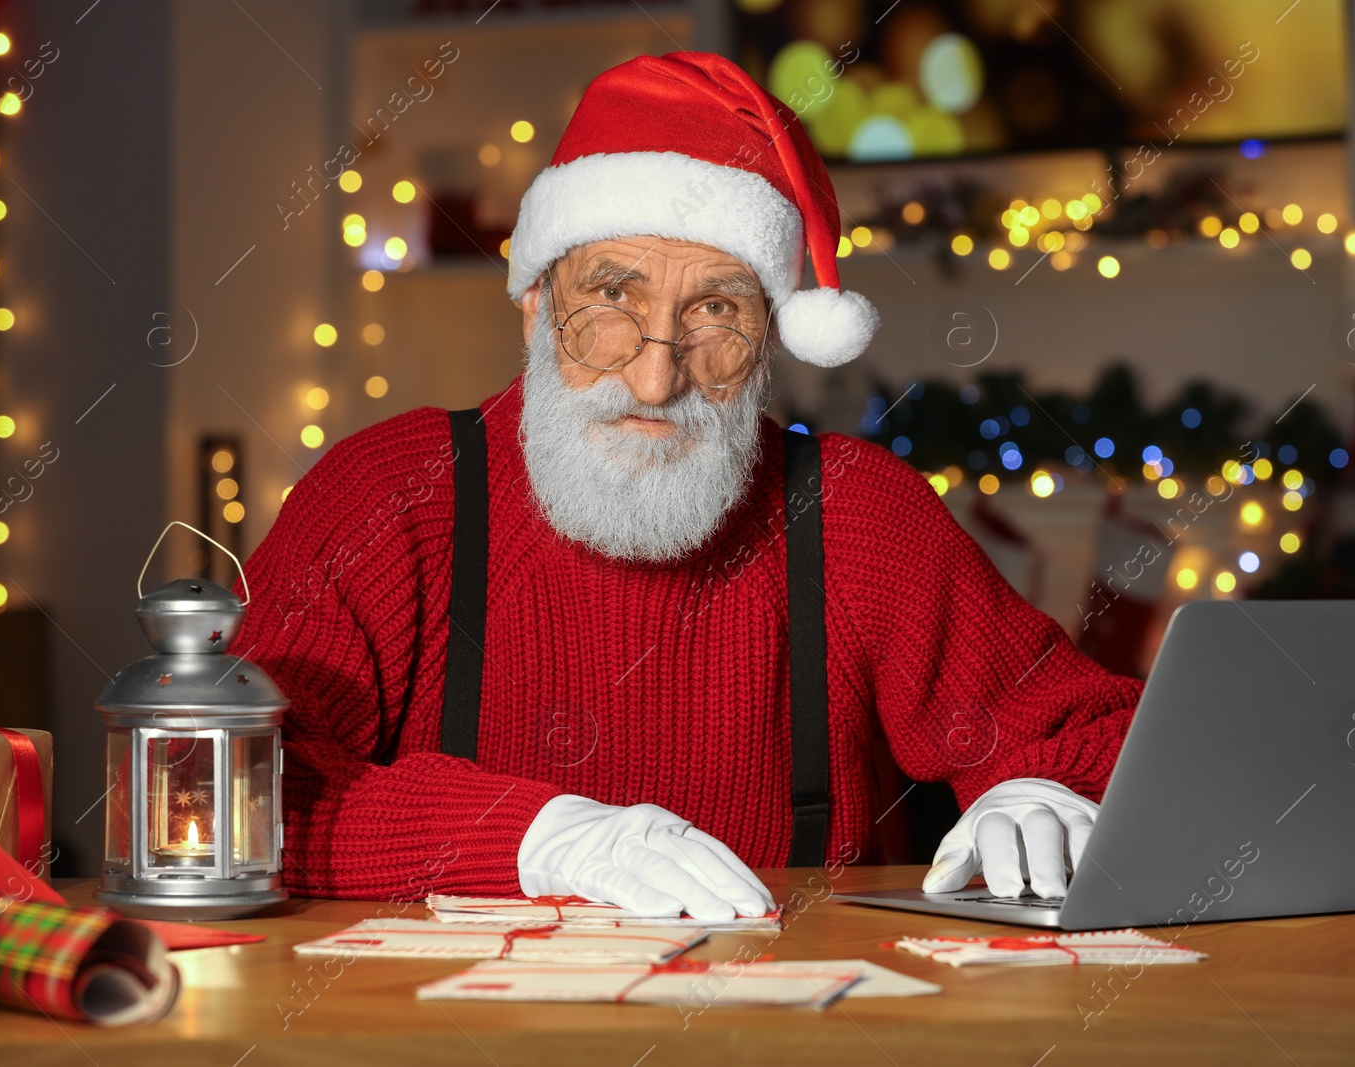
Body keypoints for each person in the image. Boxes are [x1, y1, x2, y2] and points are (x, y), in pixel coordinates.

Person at [229, 51, 1140, 921]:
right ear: (536, 305)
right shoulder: (391, 496)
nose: (657, 378)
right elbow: (231, 792)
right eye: (610, 301)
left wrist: (1043, 790)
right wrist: (530, 838)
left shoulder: (856, 514)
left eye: (717, 312)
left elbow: (1105, 736)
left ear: (774, 336)